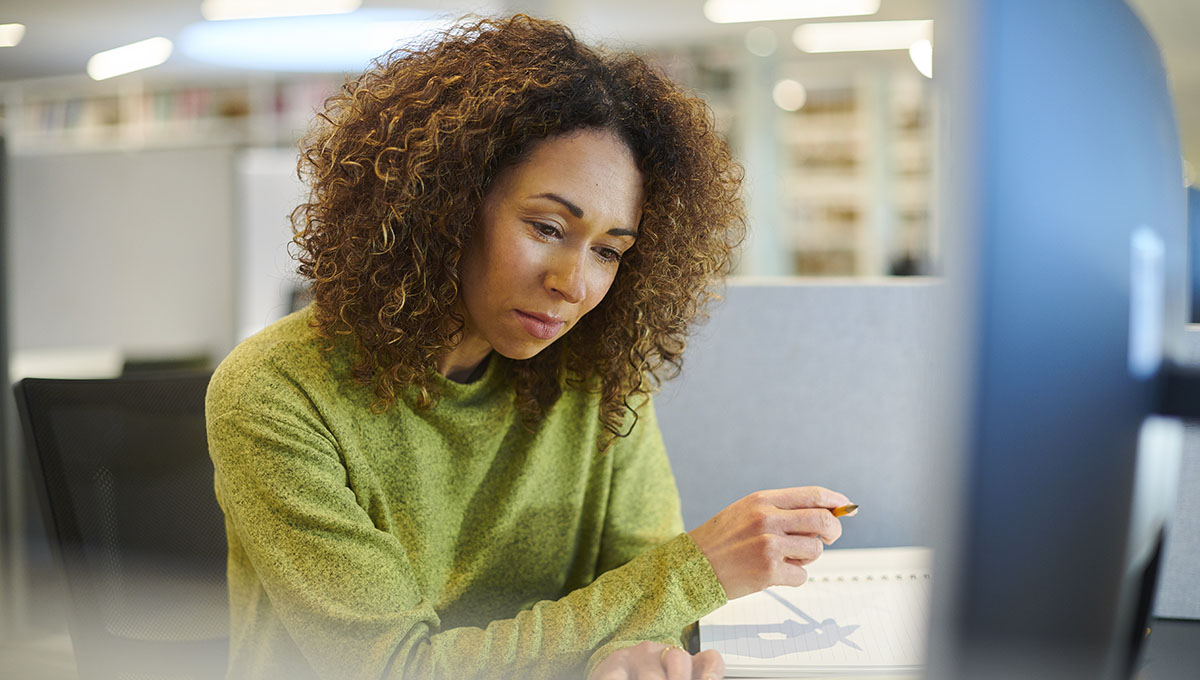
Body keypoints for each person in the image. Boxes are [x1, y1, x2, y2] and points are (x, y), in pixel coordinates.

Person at [206, 14, 854, 680]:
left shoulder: (599, 375)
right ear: (447, 203)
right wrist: (696, 570)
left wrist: (628, 658)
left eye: (608, 251)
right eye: (547, 227)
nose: (572, 284)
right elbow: (397, 668)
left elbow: (638, 598)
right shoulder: (277, 392)